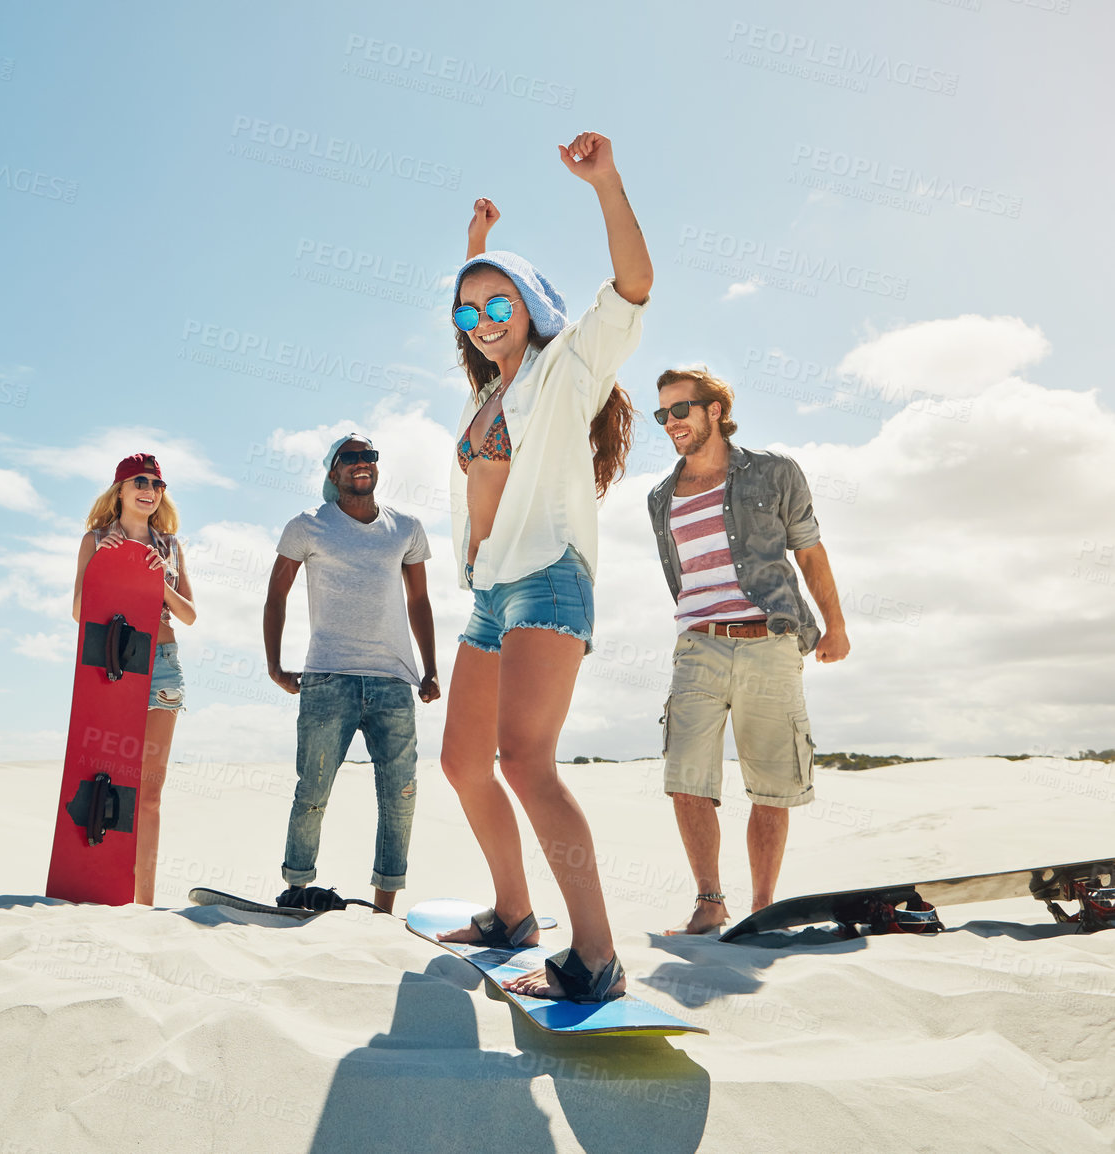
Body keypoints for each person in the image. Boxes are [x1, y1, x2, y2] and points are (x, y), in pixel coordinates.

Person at [436, 131, 651, 1003]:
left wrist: (606, 183)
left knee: (526, 759)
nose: (484, 321)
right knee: (461, 761)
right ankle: (514, 914)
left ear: (531, 303)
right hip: (490, 590)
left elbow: (632, 287)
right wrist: (476, 251)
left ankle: (594, 958)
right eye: (467, 312)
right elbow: (482, 311)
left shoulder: (567, 370)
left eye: (499, 306)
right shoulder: (485, 389)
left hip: (549, 577)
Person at [646, 366, 850, 935]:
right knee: (685, 778)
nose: (669, 424)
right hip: (698, 646)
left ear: (714, 410)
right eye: (661, 415)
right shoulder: (660, 497)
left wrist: (835, 626)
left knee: (773, 783)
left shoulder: (775, 473)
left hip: (769, 642)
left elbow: (809, 551)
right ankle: (709, 902)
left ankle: (763, 910)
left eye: (679, 411)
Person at [264, 434, 440, 913]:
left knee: (399, 793)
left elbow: (419, 600)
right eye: (351, 458)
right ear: (333, 472)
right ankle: (297, 890)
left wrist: (430, 670)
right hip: (328, 678)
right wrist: (274, 664)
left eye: (370, 457)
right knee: (313, 790)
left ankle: (385, 905)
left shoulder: (406, 528)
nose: (362, 464)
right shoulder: (307, 527)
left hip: (393, 681)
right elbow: (275, 595)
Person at [71, 453, 197, 906]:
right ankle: (98, 888)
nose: (149, 490)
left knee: (149, 793)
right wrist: (106, 569)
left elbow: (189, 614)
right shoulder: (96, 539)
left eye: (157, 485)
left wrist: (159, 581)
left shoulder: (171, 547)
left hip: (162, 661)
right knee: (102, 778)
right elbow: (79, 612)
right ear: (120, 490)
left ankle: (143, 902)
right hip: (111, 664)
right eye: (139, 481)